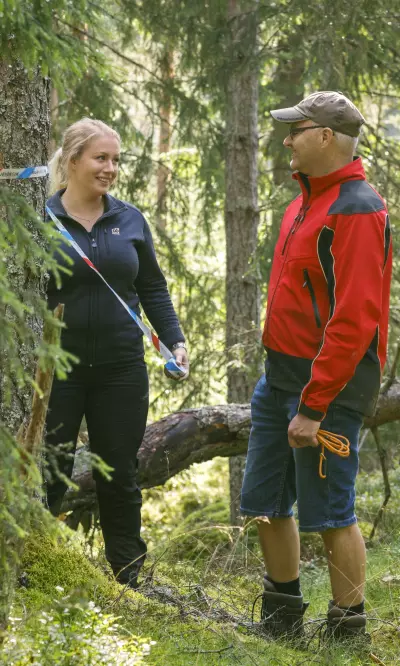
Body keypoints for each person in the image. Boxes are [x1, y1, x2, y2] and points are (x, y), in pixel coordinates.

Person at [240, 91, 392, 640]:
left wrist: (313, 404)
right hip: (280, 377)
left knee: (329, 513)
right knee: (266, 501)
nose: (286, 140)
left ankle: (348, 630)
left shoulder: (357, 207)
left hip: (330, 386)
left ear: (325, 137)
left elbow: (354, 319)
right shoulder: (304, 201)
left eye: (296, 130)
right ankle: (282, 621)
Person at [45, 118, 189, 589]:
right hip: (53, 371)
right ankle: (32, 567)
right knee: (48, 469)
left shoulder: (129, 219)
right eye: (100, 158)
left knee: (119, 474)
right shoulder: (41, 217)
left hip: (122, 369)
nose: (110, 169)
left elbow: (151, 286)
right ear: (72, 160)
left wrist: (175, 340)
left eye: (115, 160)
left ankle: (130, 577)